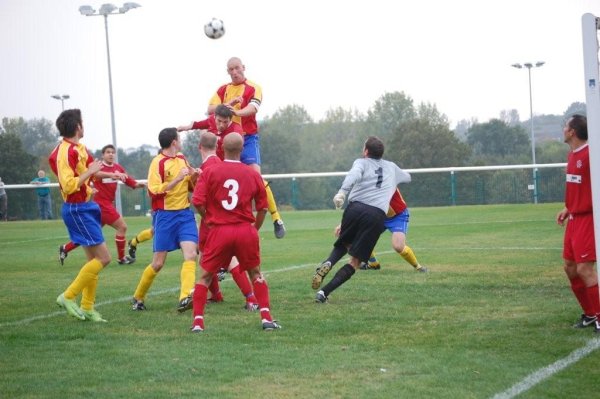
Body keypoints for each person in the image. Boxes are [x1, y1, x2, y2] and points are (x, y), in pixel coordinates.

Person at [191, 132, 281, 332]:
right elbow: (263, 207)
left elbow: (197, 201)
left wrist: (209, 219)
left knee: (205, 276)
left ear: (222, 147)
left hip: (219, 230)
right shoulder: (253, 174)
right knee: (256, 273)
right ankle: (266, 317)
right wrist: (254, 228)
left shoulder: (211, 171)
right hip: (244, 230)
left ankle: (198, 322)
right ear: (242, 150)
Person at [311, 136, 411, 303]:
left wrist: (342, 193)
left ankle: (328, 262)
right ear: (381, 153)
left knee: (344, 243)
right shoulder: (392, 167)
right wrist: (400, 177)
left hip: (355, 208)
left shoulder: (361, 162)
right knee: (355, 261)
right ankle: (323, 293)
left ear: (366, 151)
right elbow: (407, 177)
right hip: (377, 215)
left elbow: (353, 175)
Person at [208, 57, 286, 239]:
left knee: (256, 178)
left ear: (243, 67)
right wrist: (225, 107)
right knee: (219, 179)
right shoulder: (223, 89)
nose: (234, 72)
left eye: (237, 68)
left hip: (248, 139)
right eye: (231, 69)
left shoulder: (253, 87)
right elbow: (210, 108)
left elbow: (253, 108)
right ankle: (221, 221)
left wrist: (235, 112)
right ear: (227, 72)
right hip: (227, 141)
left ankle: (276, 218)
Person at [48, 108, 111, 322]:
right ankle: (68, 296)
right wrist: (91, 172)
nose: (84, 125)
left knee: (92, 260)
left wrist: (113, 175)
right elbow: (68, 186)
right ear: (77, 127)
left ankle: (87, 307)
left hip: (85, 207)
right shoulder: (65, 151)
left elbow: (91, 171)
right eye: (82, 122)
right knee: (104, 258)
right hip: (76, 209)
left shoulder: (79, 148)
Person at [131, 127, 199, 312]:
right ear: (173, 142)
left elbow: (191, 186)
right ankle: (138, 297)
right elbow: (153, 191)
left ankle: (185, 297)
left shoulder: (182, 159)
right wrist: (177, 179)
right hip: (165, 217)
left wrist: (195, 176)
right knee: (158, 263)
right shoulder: (157, 163)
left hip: (185, 214)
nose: (181, 140)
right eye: (179, 138)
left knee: (191, 254)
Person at [191, 131, 259, 311]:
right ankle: (217, 294)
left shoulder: (208, 167)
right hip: (224, 220)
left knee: (221, 260)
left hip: (214, 222)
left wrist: (207, 217)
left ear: (200, 147)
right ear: (217, 146)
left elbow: (199, 199)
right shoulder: (218, 163)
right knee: (206, 259)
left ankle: (251, 297)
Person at [314, 188, 427, 284]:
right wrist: (343, 224)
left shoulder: (386, 180)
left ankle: (418, 266)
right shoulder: (368, 184)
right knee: (364, 238)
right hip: (380, 215)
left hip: (398, 216)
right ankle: (374, 264)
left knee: (398, 246)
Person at [58, 144, 145, 265]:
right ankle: (121, 258)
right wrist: (112, 175)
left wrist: (137, 185)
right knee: (122, 227)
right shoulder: (98, 167)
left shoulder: (118, 168)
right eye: (108, 152)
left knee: (90, 233)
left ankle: (65, 248)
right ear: (103, 155)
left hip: (106, 204)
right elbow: (95, 175)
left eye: (113, 152)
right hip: (101, 204)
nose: (111, 154)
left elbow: (127, 180)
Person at [556, 114, 600, 333]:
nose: (563, 129)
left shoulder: (592, 154)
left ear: (572, 131)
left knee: (585, 268)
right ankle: (590, 314)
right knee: (570, 268)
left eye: (566, 126)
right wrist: (567, 207)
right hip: (574, 218)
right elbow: (578, 185)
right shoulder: (572, 154)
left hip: (588, 218)